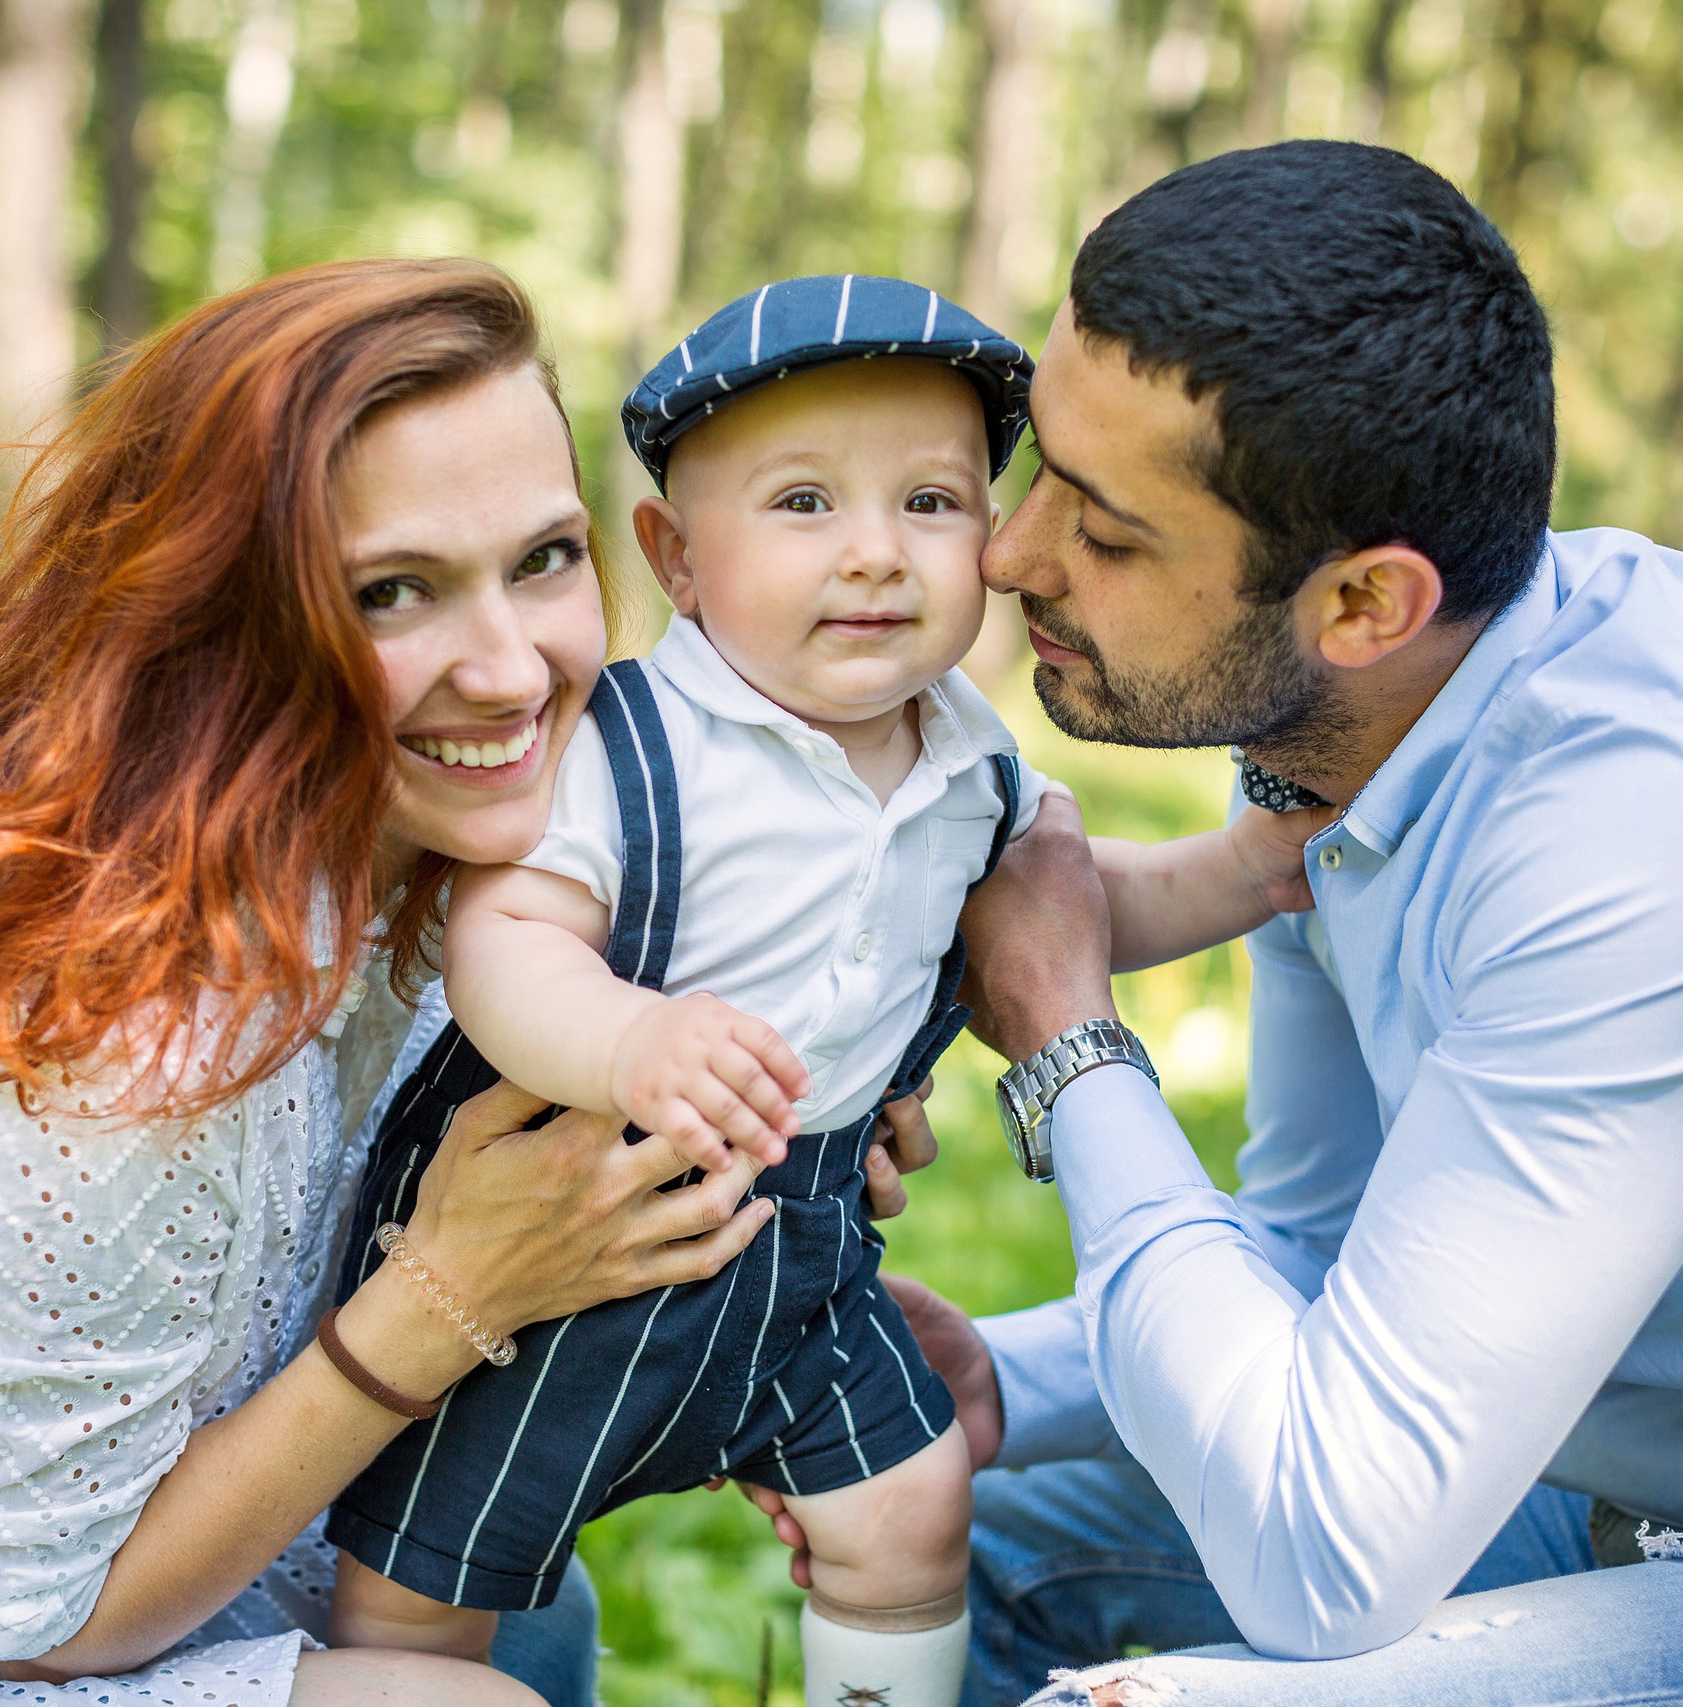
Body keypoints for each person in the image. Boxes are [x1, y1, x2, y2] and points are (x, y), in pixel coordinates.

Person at [758, 142, 1683, 1706]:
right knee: (964, 1527)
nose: (1010, 554)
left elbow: (1325, 1553)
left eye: (1106, 531)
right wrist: (1007, 1381)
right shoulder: (1349, 738)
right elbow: (1319, 1255)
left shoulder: (1667, 844)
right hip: (1616, 1491)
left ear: (1366, 605)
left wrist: (1067, 1035)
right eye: (1040, 472)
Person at [0, 259, 781, 1707]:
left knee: (490, 1583)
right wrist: (452, 1295)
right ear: (217, 621)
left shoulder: (446, 860)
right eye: (392, 591)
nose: (510, 669)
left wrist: (777, 1213)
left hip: (19, 1567)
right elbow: (40, 1621)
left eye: (543, 559)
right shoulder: (94, 997)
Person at [319, 276, 1329, 1707]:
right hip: (567, 1236)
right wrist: (630, 1039)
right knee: (427, 1585)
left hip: (803, 1249)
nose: (875, 553)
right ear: (676, 556)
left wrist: (1238, 870)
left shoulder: (969, 757)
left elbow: (1067, 909)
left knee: (915, 1508)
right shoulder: (631, 741)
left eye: (932, 502)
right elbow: (506, 939)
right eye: (804, 504)